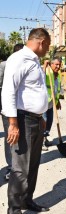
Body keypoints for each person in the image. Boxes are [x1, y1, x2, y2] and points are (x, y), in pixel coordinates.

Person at [1, 28, 51, 214]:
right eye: (47, 46)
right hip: (21, 120)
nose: (48, 50)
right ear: (41, 42)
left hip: (35, 120)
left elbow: (35, 91)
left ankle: (26, 200)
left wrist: (42, 117)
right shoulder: (19, 59)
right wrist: (12, 124)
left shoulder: (34, 61)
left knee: (33, 165)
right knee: (20, 168)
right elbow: (8, 91)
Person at [0, 43, 24, 180]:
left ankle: (19, 166)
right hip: (7, 110)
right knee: (11, 138)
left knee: (20, 138)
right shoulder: (4, 65)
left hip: (22, 109)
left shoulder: (25, 65)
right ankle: (11, 167)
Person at [42, 57, 62, 151]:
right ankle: (41, 142)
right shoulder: (47, 72)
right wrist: (45, 66)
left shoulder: (58, 76)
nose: (58, 66)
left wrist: (58, 101)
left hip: (51, 103)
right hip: (44, 102)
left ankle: (45, 138)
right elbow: (40, 78)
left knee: (49, 123)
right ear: (52, 64)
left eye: (59, 64)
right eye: (56, 64)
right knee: (44, 122)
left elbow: (56, 89)